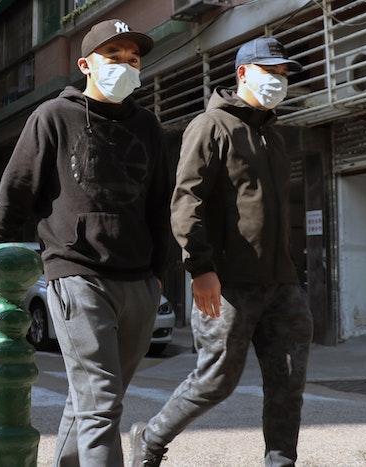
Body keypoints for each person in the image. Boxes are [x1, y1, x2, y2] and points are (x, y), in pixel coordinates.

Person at [0, 19, 170, 467]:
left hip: (138, 279)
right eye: (113, 58)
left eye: (133, 60)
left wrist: (160, 275)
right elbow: (15, 193)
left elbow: (160, 205)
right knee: (101, 402)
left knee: (91, 399)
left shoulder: (149, 127)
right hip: (76, 273)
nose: (126, 66)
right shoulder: (52, 117)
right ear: (85, 65)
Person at [130, 37, 314, 467]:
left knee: (288, 383)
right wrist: (200, 268)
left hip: (282, 282)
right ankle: (151, 438)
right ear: (243, 73)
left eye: (284, 73)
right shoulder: (211, 125)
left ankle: (281, 460)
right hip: (228, 283)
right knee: (216, 380)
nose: (279, 81)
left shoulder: (276, 135)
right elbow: (186, 200)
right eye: (271, 72)